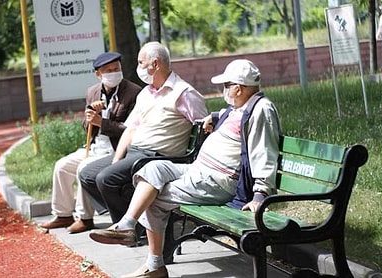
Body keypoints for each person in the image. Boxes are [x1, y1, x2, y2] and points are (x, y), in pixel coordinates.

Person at [88, 59, 282, 278]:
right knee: (152, 169)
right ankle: (127, 225)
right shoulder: (239, 107)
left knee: (154, 196)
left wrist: (260, 194)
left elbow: (263, 151)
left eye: (226, 86)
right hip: (198, 171)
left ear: (238, 88)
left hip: (218, 180)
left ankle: (154, 265)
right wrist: (215, 117)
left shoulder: (261, 109)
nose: (223, 90)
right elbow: (235, 122)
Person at [78, 41, 208, 226]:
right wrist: (116, 161)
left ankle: (129, 229)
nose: (137, 67)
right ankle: (133, 218)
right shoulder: (146, 93)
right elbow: (130, 129)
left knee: (106, 179)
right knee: (87, 174)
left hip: (157, 156)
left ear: (155, 64)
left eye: (141, 63)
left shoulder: (184, 93)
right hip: (135, 151)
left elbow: (205, 128)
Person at [40, 52, 141, 233]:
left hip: (116, 149)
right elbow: (87, 127)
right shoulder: (92, 92)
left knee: (83, 168)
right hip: (94, 147)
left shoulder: (134, 92)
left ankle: (85, 218)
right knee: (61, 166)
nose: (114, 73)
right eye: (108, 71)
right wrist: (89, 118)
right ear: (98, 74)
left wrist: (102, 122)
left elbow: (131, 130)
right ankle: (63, 214)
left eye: (116, 69)